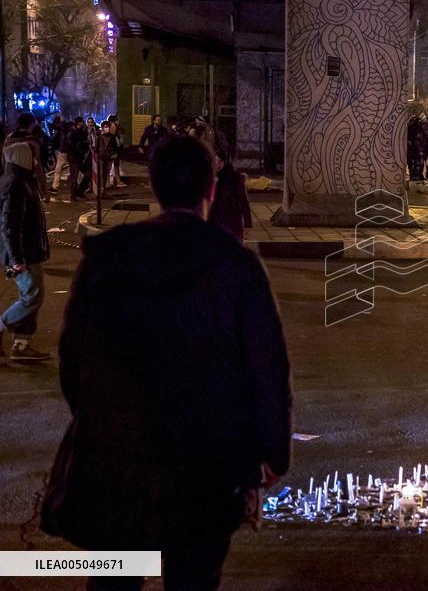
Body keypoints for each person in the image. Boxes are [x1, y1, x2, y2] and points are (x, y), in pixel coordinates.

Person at [41, 136, 292, 590]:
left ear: (154, 188)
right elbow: (267, 370)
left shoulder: (107, 259)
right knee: (193, 578)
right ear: (211, 190)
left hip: (119, 462)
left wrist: (101, 420)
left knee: (114, 578)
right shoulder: (235, 267)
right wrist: (271, 454)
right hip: (206, 470)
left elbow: (73, 359)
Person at [0, 139, 51, 361]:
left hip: (26, 251)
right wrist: (16, 258)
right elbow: (9, 225)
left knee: (30, 296)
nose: (37, 160)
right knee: (32, 297)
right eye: (33, 156)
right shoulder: (15, 184)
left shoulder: (20, 180)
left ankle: (21, 345)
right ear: (23, 157)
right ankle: (4, 328)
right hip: (23, 253)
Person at [209, 149, 253, 243]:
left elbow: (243, 200)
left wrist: (247, 223)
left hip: (232, 220)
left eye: (220, 161)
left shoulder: (234, 177)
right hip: (216, 220)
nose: (217, 164)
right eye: (215, 161)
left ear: (225, 161)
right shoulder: (211, 177)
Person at [52, 117, 88, 201]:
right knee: (73, 176)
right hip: (74, 157)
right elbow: (71, 144)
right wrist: (79, 150)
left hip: (77, 156)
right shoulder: (72, 132)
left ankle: (77, 192)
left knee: (81, 174)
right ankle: (74, 194)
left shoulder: (78, 131)